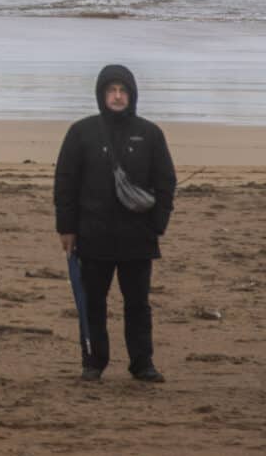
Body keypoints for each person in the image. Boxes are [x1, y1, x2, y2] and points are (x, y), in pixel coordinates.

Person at [53, 62, 176, 383]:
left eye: (123, 91)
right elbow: (65, 182)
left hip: (138, 238)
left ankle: (142, 363)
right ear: (101, 94)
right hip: (93, 236)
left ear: (132, 95)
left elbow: (166, 182)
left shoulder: (150, 133)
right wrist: (66, 228)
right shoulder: (82, 132)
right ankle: (94, 362)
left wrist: (157, 225)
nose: (118, 96)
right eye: (112, 90)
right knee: (93, 303)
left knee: (138, 304)